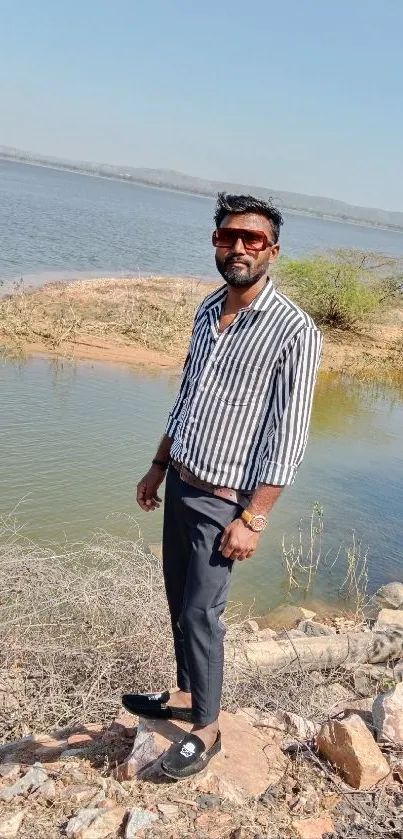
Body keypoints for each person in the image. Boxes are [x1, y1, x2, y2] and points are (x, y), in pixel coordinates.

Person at [122, 193, 323, 779]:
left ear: (272, 250)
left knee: (203, 612)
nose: (237, 248)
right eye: (227, 237)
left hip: (225, 498)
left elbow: (289, 435)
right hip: (181, 479)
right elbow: (186, 398)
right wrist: (158, 464)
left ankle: (207, 729)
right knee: (178, 598)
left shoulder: (294, 331)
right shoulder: (210, 308)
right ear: (215, 243)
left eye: (251, 240)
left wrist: (253, 516)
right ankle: (186, 694)